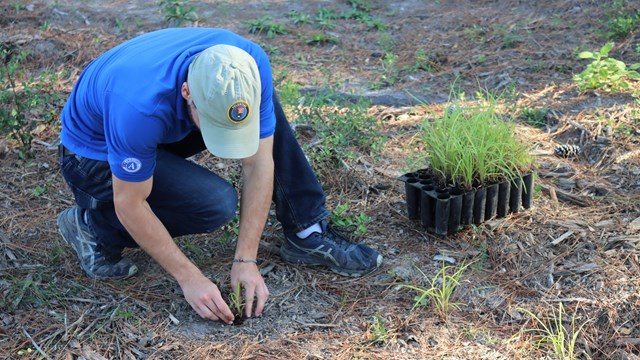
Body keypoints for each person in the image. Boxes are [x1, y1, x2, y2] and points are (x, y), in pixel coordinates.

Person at [56, 27, 383, 324]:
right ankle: (92, 228)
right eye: (215, 125)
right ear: (187, 92)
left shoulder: (246, 64)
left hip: (167, 121)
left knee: (264, 113)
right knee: (214, 204)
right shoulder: (139, 107)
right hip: (92, 153)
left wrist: (246, 259)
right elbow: (130, 202)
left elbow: (259, 162)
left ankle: (305, 229)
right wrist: (189, 277)